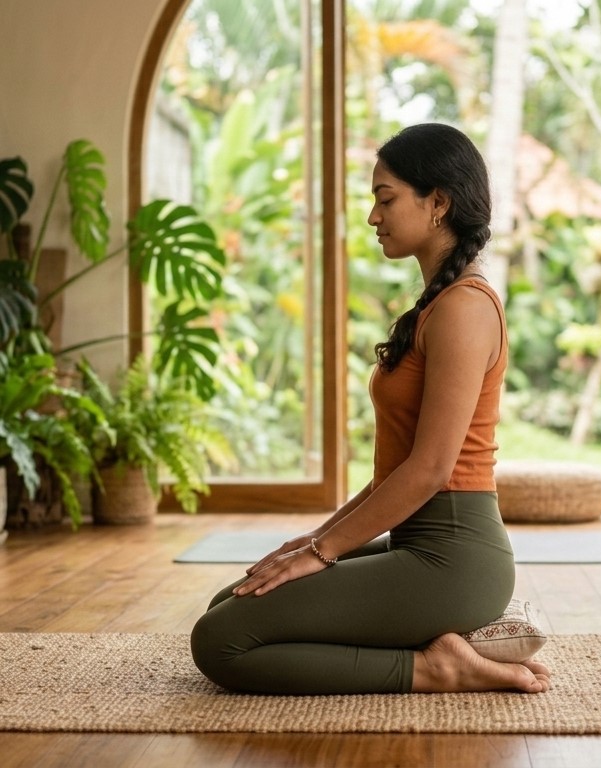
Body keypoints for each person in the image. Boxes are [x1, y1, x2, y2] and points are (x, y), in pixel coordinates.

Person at [190, 123, 551, 696]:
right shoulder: (438, 305)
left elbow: (432, 469)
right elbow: (394, 475)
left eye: (386, 199)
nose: (373, 216)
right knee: (232, 601)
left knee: (221, 642)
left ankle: (436, 669)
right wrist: (313, 540)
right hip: (418, 544)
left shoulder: (464, 309)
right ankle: (436, 645)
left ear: (438, 204)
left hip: (454, 560)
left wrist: (323, 551)